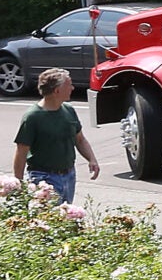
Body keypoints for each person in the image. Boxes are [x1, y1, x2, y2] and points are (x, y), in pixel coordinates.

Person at [12, 67, 101, 205]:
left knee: (65, 219)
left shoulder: (68, 110)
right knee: (49, 220)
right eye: (69, 84)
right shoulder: (33, 117)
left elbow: (80, 139)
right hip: (43, 178)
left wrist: (92, 159)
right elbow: (21, 152)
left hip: (69, 175)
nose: (72, 87)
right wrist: (19, 184)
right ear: (56, 91)